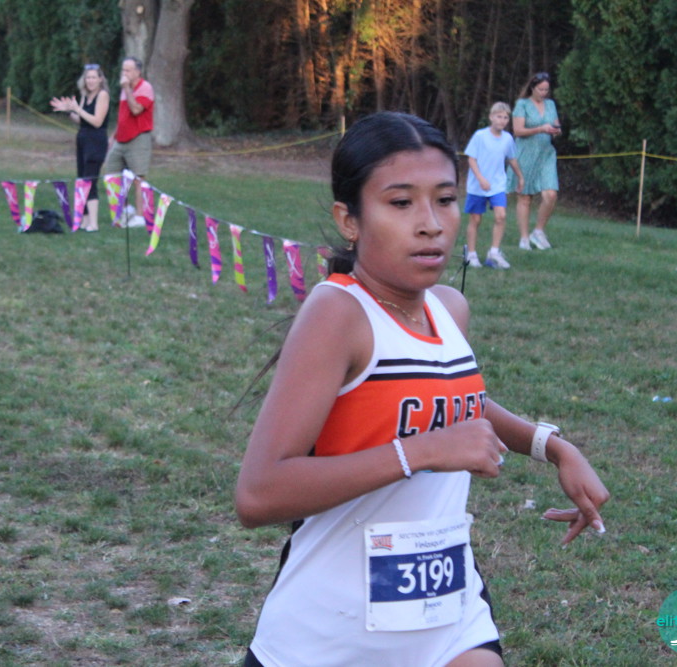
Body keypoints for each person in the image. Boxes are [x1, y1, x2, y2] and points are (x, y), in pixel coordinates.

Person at [235, 112, 609, 667]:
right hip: (328, 634)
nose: (431, 224)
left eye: (445, 200)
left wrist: (552, 447)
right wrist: (422, 452)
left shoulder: (449, 308)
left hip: (449, 619)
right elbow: (258, 494)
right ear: (349, 219)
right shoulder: (338, 314)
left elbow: (452, 399)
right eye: (401, 203)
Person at [51, 64, 111, 232]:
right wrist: (69, 111)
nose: (90, 81)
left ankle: (94, 223)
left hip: (96, 141)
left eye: (93, 77)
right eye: (87, 77)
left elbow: (97, 121)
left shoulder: (103, 95)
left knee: (90, 180)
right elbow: (82, 120)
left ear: (100, 79)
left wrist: (78, 109)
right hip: (83, 139)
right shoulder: (85, 95)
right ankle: (84, 221)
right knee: (81, 180)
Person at [464, 102, 524, 270]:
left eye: (505, 117)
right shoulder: (480, 136)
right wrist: (480, 178)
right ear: (491, 117)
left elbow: (512, 159)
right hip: (478, 186)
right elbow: (471, 159)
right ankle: (471, 254)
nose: (502, 120)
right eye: (499, 116)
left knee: (501, 216)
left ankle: (494, 252)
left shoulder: (508, 139)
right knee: (475, 219)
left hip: (497, 185)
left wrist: (520, 177)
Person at [508, 72, 562, 250]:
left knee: (551, 194)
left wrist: (556, 130)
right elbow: (518, 131)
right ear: (532, 88)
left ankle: (538, 231)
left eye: (546, 90)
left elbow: (556, 125)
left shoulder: (551, 104)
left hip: (546, 154)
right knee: (525, 196)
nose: (544, 93)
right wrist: (540, 129)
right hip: (526, 153)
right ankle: (524, 238)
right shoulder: (522, 104)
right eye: (541, 89)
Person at [101, 56, 154, 228]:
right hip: (121, 138)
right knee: (112, 175)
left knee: (138, 178)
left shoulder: (145, 88)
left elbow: (136, 110)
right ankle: (125, 210)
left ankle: (140, 216)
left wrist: (126, 88)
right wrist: (113, 136)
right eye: (123, 70)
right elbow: (123, 116)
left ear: (138, 72)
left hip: (138, 138)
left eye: (128, 70)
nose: (124, 73)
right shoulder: (126, 89)